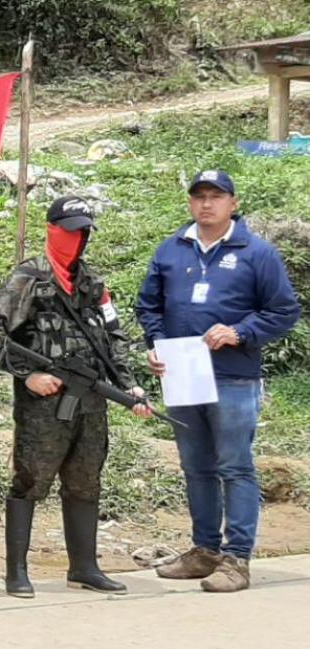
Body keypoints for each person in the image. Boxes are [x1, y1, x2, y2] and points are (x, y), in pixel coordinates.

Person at [135, 170, 299, 593]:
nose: (206, 204)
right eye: (199, 197)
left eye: (216, 196)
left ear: (233, 202)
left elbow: (283, 312)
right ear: (190, 202)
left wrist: (240, 332)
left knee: (234, 466)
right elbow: (147, 306)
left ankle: (236, 558)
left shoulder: (257, 253)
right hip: (183, 374)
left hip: (233, 376)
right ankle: (204, 550)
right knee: (196, 467)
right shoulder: (171, 250)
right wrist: (156, 344)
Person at [0, 197, 150, 599]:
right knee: (30, 480)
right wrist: (29, 375)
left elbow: (113, 337)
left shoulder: (93, 283)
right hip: (44, 403)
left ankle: (85, 567)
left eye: (83, 233)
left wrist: (129, 385)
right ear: (51, 229)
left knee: (85, 479)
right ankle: (17, 572)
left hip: (91, 399)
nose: (76, 240)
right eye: (69, 231)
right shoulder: (28, 278)